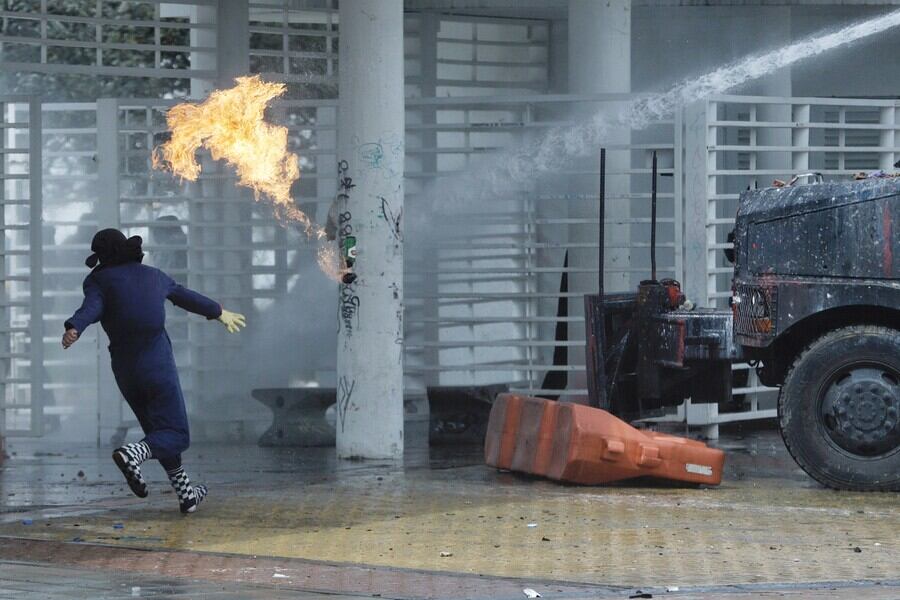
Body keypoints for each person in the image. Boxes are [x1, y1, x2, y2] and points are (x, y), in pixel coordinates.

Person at [62, 229, 246, 514]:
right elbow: (186, 297)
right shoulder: (154, 276)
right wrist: (218, 311)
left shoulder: (97, 280)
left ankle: (187, 495)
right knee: (175, 432)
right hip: (156, 363)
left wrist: (75, 327)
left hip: (125, 369)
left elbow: (91, 308)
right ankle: (132, 453)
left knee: (158, 432)